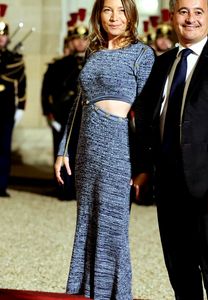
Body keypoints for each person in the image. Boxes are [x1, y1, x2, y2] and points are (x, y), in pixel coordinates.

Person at [133, 0, 208, 299]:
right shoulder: (161, 64)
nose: (190, 19)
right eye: (183, 11)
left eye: (198, 12)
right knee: (179, 267)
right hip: (168, 182)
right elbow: (147, 120)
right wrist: (145, 168)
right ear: (172, 16)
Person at [54, 0, 155, 298]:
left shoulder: (142, 54)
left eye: (122, 10)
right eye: (108, 9)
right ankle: (84, 292)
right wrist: (63, 149)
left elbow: (149, 116)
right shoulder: (93, 52)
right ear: (98, 13)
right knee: (86, 222)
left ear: (132, 15)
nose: (115, 16)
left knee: (114, 229)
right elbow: (78, 104)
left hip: (120, 148)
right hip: (87, 147)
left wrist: (144, 166)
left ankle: (114, 294)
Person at [41, 11, 89, 200]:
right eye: (76, 39)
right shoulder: (58, 65)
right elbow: (47, 91)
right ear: (70, 41)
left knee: (81, 154)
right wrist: (49, 114)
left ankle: (78, 190)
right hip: (61, 115)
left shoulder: (90, 62)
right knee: (61, 152)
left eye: (84, 39)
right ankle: (63, 188)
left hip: (83, 114)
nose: (80, 43)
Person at [0, 4, 27, 198]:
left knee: (3, 149)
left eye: (3, 35)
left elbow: (22, 85)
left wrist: (21, 108)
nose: (1, 38)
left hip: (6, 110)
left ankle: (1, 185)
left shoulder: (14, 59)